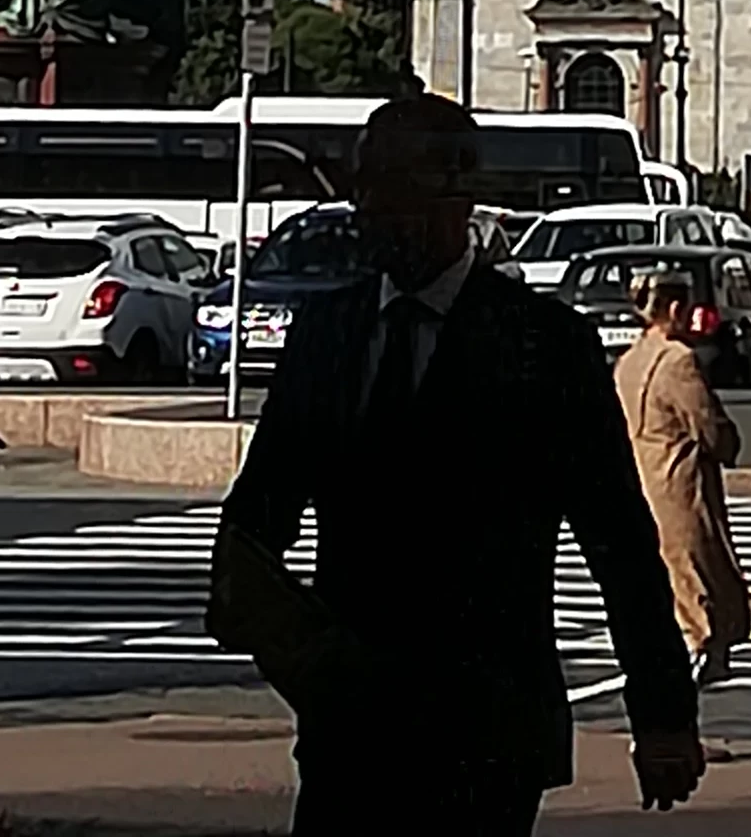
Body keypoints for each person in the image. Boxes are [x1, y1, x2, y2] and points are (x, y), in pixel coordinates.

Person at [210, 83, 706, 830]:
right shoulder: (328, 333)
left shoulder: (543, 342)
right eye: (362, 186)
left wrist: (663, 716)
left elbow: (620, 541)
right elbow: (258, 513)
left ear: (453, 201)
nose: (366, 209)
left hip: (487, 723)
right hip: (352, 721)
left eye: (388, 188)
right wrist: (289, 645)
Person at [615, 271, 751, 684]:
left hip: (642, 480)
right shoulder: (677, 360)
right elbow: (707, 425)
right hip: (680, 484)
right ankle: (686, 715)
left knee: (668, 585)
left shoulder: (629, 360)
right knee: (698, 589)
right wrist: (729, 444)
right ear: (675, 309)